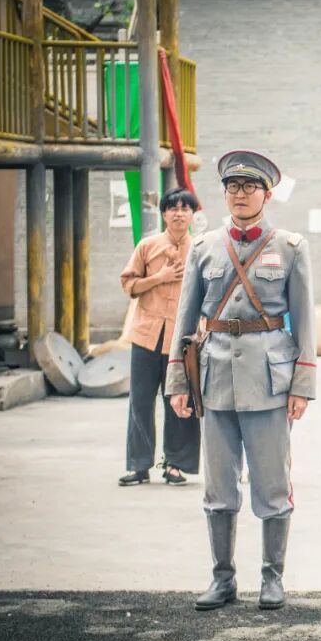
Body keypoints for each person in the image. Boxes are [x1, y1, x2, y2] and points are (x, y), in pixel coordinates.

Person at [166, 150, 317, 612]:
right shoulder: (204, 247)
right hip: (215, 381)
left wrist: (302, 385)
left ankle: (272, 578)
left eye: (250, 187)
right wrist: (177, 382)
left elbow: (304, 321)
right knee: (218, 488)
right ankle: (222, 578)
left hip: (269, 383)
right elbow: (185, 318)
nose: (240, 194)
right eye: (233, 186)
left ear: (266, 195)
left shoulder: (290, 247)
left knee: (272, 485)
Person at [117, 188, 202, 487]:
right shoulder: (147, 246)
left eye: (185, 208)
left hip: (183, 340)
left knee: (181, 400)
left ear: (192, 215)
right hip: (146, 336)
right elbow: (129, 285)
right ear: (164, 213)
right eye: (173, 208)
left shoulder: (200, 249)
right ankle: (138, 466)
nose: (179, 213)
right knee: (140, 401)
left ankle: (176, 464)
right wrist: (159, 278)